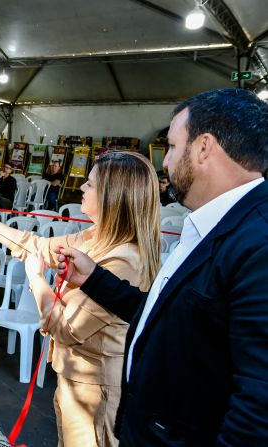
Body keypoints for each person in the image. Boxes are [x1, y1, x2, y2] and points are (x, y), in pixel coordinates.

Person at [53, 88, 268, 446]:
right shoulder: (214, 223)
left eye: (171, 146)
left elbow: (258, 405)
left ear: (203, 148)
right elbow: (166, 318)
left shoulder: (257, 241)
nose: (165, 163)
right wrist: (93, 278)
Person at [0, 151, 161, 447]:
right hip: (75, 379)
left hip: (95, 391)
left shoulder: (124, 260)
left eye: (89, 184)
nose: (81, 188)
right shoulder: (95, 237)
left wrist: (37, 279)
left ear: (110, 196)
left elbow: (66, 326)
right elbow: (35, 245)